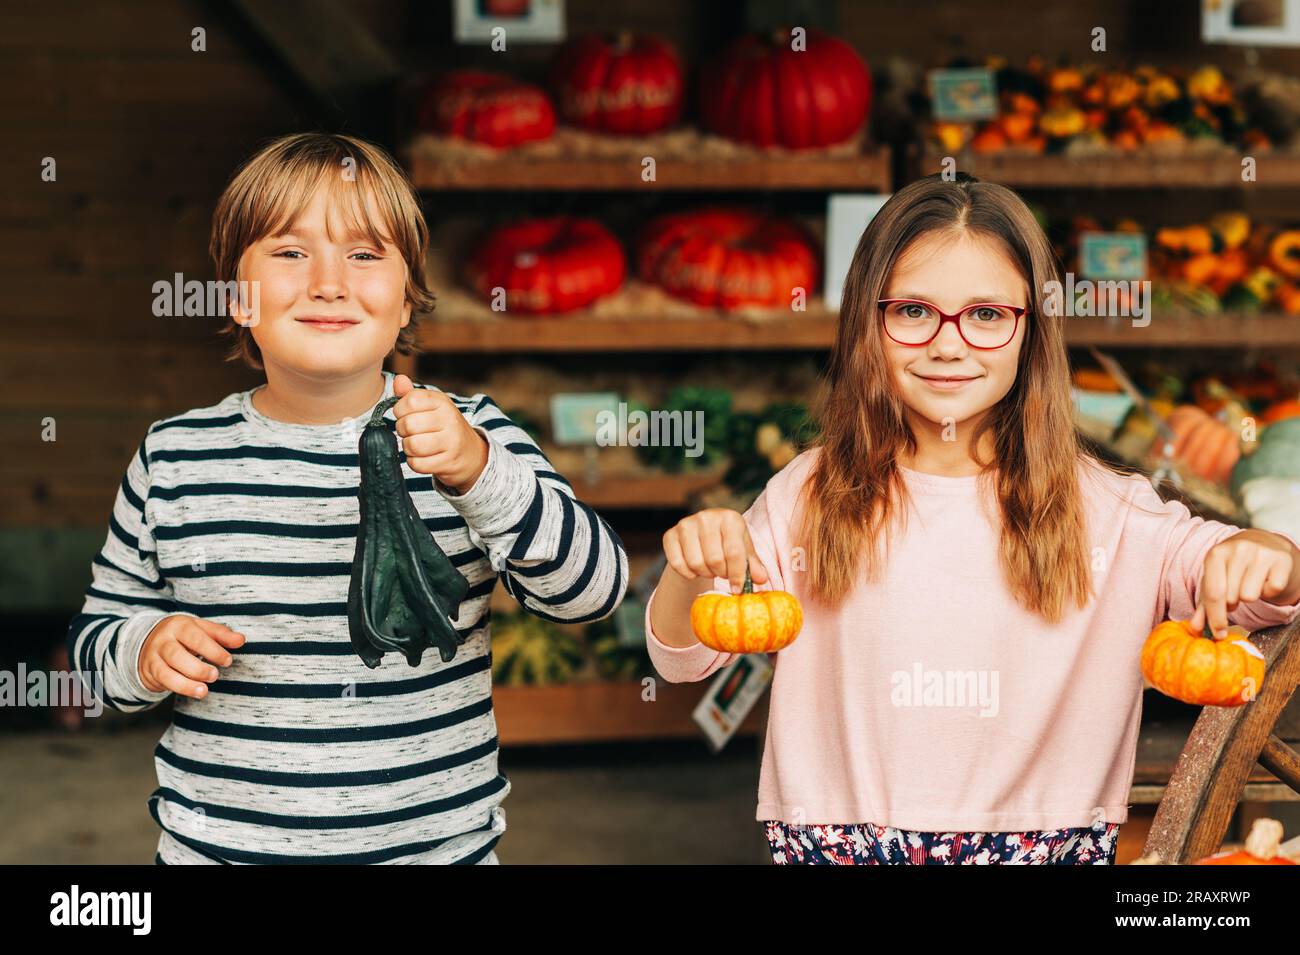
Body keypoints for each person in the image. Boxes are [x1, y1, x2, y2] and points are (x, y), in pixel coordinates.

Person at [645, 173, 1300, 865]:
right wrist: (692, 568)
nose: (949, 344)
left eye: (986, 314)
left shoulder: (1110, 509)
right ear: (868, 321)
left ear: (1031, 328)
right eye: (913, 311)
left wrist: (1267, 551)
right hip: (834, 844)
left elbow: (1264, 591)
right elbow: (681, 657)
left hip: (1045, 846)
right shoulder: (807, 493)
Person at [67, 132, 628, 864]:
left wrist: (481, 474)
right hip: (223, 851)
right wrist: (142, 648)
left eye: (364, 254)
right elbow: (93, 647)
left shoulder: (473, 436)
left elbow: (596, 591)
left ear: (406, 302)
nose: (329, 280)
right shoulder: (175, 456)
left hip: (434, 853)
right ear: (236, 297)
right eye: (290, 252)